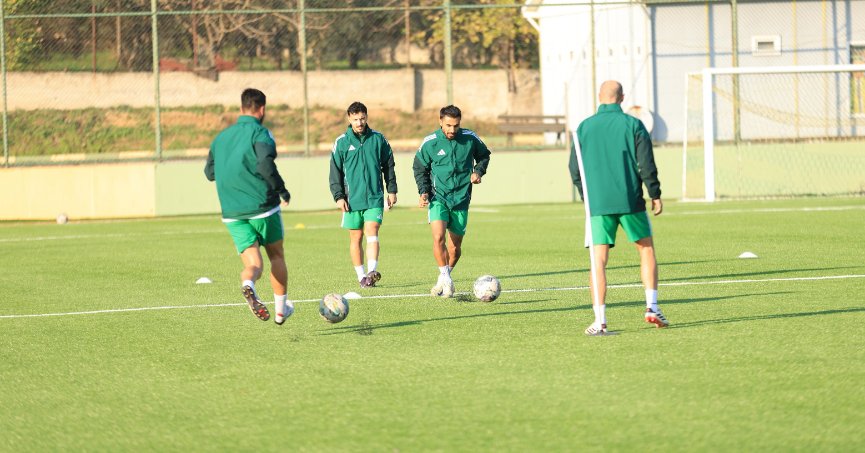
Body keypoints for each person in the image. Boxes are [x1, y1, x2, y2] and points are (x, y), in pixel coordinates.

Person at [569, 80, 668, 336]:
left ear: (599, 97)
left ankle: (600, 321)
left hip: (597, 205)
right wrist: (655, 193)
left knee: (598, 260)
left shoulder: (583, 127)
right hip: (630, 199)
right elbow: (646, 163)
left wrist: (588, 197)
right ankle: (652, 306)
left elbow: (574, 169)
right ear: (622, 97)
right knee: (645, 249)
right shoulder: (633, 124)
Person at [205, 88, 293, 325]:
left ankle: (248, 284)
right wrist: (281, 190)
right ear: (262, 109)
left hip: (232, 212)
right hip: (263, 206)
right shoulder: (261, 133)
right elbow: (265, 163)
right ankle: (281, 312)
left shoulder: (221, 138)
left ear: (241, 108)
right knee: (276, 255)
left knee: (254, 264)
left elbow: (210, 173)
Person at [413, 105, 491, 297]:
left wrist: (478, 172)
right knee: (438, 237)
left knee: (455, 248)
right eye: (448, 125)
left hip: (461, 199)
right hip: (438, 197)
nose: (452, 129)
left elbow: (484, 156)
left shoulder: (470, 138)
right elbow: (419, 167)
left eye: (456, 125)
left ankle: (443, 278)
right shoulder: (430, 142)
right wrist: (424, 191)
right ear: (440, 122)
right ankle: (446, 278)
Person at [329, 101, 398, 288]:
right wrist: (339, 196)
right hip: (352, 200)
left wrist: (392, 190)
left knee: (372, 230)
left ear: (367, 117)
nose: (359, 123)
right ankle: (362, 276)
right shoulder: (341, 142)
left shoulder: (378, 139)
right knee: (356, 237)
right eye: (355, 119)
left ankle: (371, 271)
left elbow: (389, 166)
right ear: (349, 119)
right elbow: (335, 172)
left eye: (362, 119)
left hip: (374, 197)